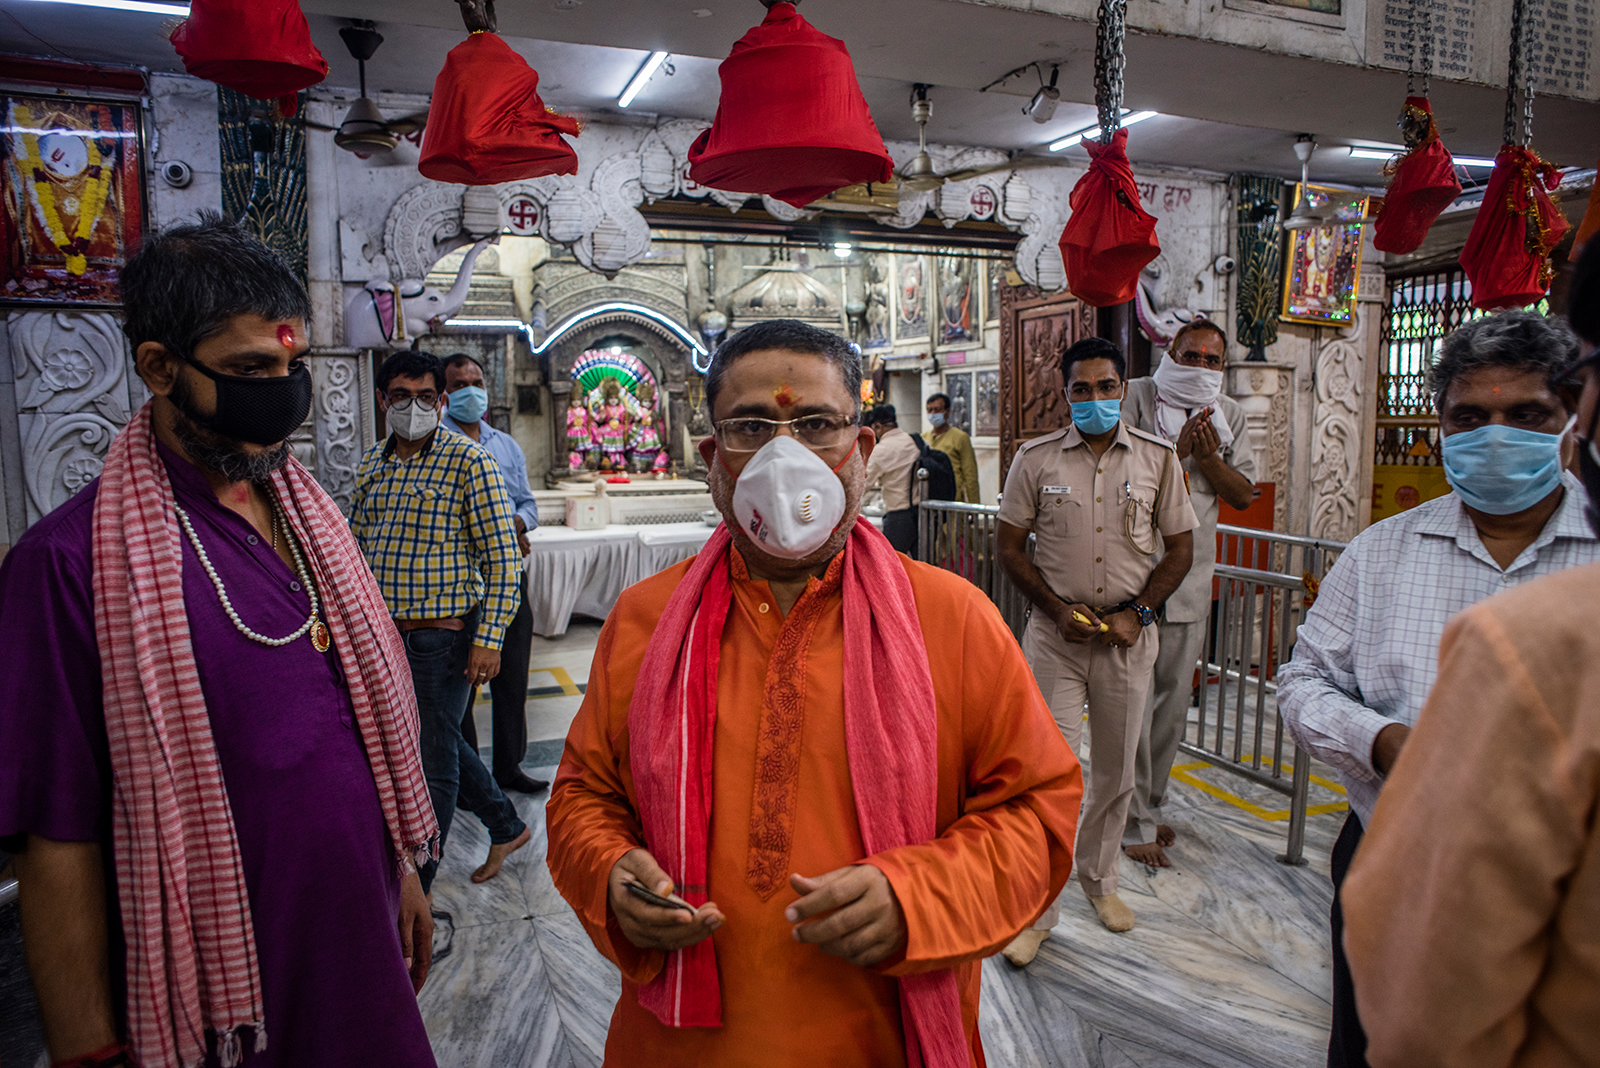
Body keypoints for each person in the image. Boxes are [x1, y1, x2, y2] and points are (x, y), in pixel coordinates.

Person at [545, 318, 1083, 1067]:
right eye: (752, 427)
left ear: (859, 451)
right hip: (679, 1045)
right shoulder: (644, 620)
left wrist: (917, 897)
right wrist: (609, 875)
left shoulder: (954, 620)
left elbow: (1038, 811)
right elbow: (581, 795)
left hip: (879, 1038)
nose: (783, 452)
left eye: (817, 424)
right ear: (713, 457)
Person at [0, 217, 439, 1068]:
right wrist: (88, 1050)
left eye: (291, 366)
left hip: (360, 924)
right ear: (160, 368)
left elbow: (354, 739)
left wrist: (403, 875)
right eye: (248, 371)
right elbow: (57, 840)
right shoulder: (69, 565)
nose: (279, 392)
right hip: (230, 980)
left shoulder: (306, 515)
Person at [1278, 307, 1600, 1068]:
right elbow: (1302, 680)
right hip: (1397, 852)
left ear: (1571, 419)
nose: (1496, 435)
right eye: (1470, 416)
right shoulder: (1382, 551)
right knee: (1378, 1045)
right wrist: (1384, 742)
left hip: (1573, 881)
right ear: (1440, 427)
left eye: (1526, 414)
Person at [997, 336, 1197, 945]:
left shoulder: (1158, 459)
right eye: (1081, 390)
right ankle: (1039, 907)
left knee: (1115, 774)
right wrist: (1055, 609)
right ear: (1066, 395)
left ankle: (1101, 880)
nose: (1094, 399)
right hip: (1057, 637)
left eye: (1105, 387)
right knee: (1049, 772)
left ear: (1122, 388)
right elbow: (1009, 547)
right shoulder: (1036, 460)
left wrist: (1140, 610)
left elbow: (1180, 549)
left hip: (1128, 638)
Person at [351, 351, 530, 896]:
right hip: (386, 637)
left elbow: (503, 558)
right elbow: (354, 551)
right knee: (442, 739)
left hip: (445, 638)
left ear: (442, 402)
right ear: (383, 401)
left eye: (426, 398)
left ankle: (419, 886)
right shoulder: (371, 466)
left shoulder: (468, 462)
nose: (414, 407)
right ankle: (506, 825)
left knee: (433, 762)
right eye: (401, 397)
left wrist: (489, 640)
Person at [1119, 320, 1256, 866]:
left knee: (1171, 710)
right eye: (1190, 355)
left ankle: (1149, 807)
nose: (1200, 367)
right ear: (1168, 352)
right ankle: (1130, 823)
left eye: (1212, 360)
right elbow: (1116, 478)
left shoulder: (1231, 415)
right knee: (1128, 706)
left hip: (1190, 582)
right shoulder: (1131, 397)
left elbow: (1244, 494)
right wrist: (1172, 452)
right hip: (1132, 578)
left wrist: (1208, 459)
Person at [440, 352, 548, 796]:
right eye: (461, 383)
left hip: (507, 577)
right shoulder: (435, 445)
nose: (472, 390)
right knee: (457, 683)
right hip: (460, 583)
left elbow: (529, 505)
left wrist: (515, 524)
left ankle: (509, 766)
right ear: (446, 396)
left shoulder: (505, 445)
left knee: (512, 676)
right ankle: (468, 780)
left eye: (477, 381)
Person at [863, 403, 921, 554]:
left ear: (877, 427)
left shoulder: (881, 450)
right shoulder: (915, 441)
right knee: (920, 565)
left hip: (898, 518)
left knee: (889, 565)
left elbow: (863, 484)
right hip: (921, 515)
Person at [926, 392, 980, 503]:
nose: (933, 413)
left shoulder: (960, 438)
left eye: (937, 410)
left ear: (947, 411)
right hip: (930, 500)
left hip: (953, 500)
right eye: (930, 410)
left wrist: (974, 507)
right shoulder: (924, 439)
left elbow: (970, 475)